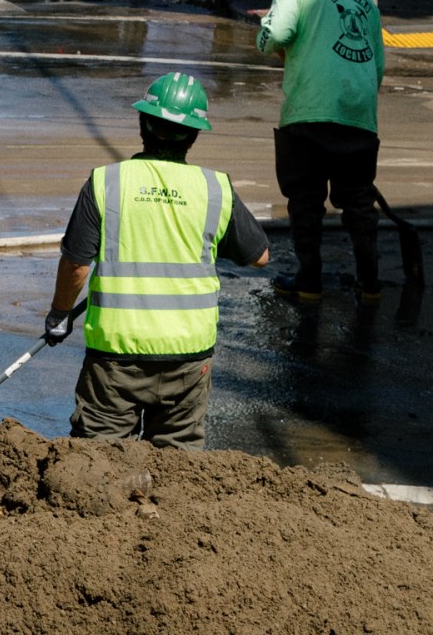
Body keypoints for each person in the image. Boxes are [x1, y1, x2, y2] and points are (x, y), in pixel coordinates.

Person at [43, 73, 271, 448]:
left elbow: (76, 265)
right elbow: (260, 256)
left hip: (116, 357)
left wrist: (59, 314)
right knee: (177, 462)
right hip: (188, 356)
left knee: (99, 458)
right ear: (195, 134)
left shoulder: (106, 183)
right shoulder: (215, 190)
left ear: (143, 123)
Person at [257, 0, 386, 304]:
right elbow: (376, 68)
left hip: (308, 111)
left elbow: (276, 35)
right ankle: (371, 284)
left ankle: (309, 282)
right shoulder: (365, 1)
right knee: (359, 201)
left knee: (306, 199)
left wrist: (265, 37)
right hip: (359, 114)